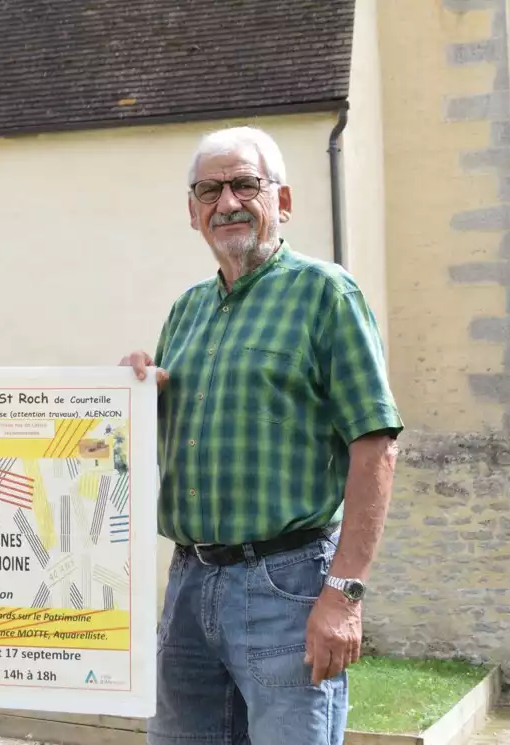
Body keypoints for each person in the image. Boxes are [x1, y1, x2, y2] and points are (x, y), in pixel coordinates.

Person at [121, 127, 402, 744]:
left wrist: (345, 593)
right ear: (193, 212)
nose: (226, 202)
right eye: (208, 190)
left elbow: (376, 444)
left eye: (244, 183)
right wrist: (135, 395)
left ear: (283, 200)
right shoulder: (186, 311)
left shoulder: (327, 294)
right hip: (190, 583)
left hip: (289, 584)